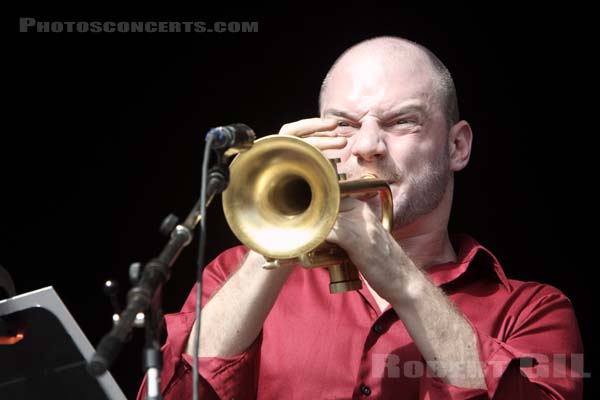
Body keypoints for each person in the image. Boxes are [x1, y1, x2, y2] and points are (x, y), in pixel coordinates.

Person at [137, 36, 583, 399]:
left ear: (457, 147)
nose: (367, 146)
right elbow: (172, 394)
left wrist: (396, 273)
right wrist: (272, 242)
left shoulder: (532, 310)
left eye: (402, 121)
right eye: (343, 126)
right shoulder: (235, 273)